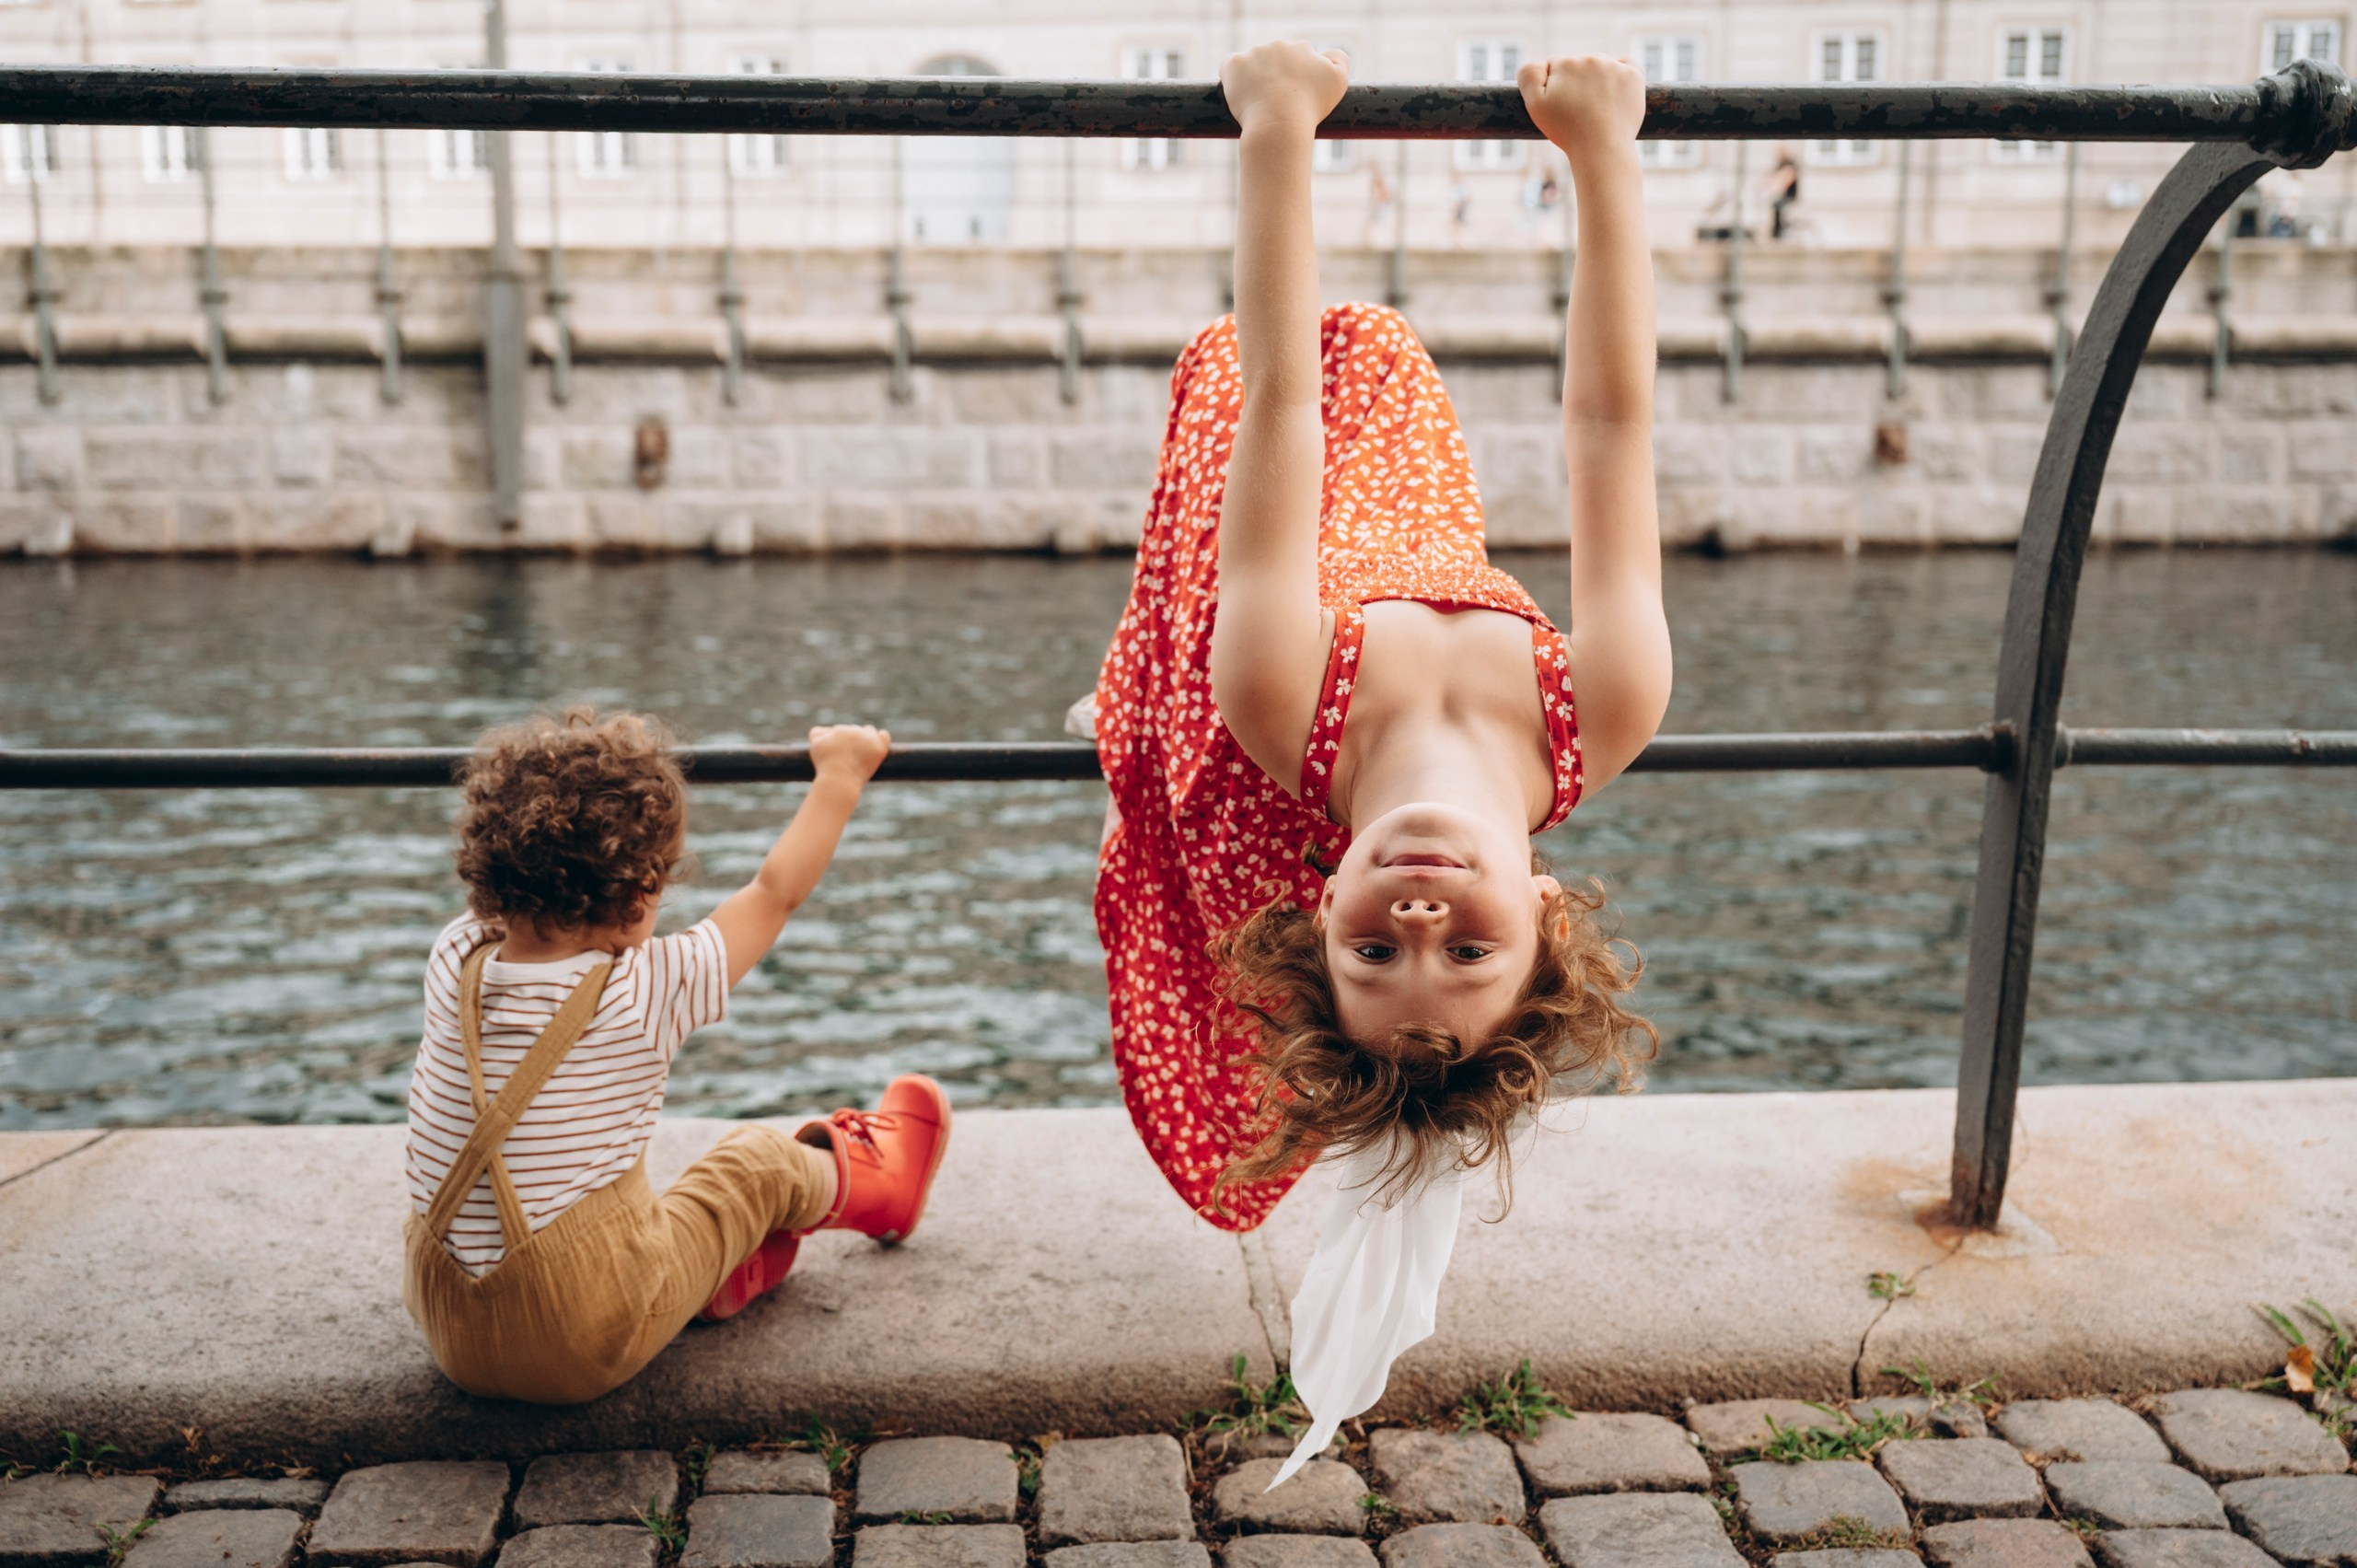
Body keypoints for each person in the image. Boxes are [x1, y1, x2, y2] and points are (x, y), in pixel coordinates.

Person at [1089, 42, 1668, 1477]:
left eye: (1375, 956)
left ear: (1320, 911)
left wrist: (1280, 126)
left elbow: (1281, 396)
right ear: (1548, 925)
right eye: (1466, 957)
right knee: (1385, 351)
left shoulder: (1284, 697)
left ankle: (1134, 698)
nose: (1419, 924)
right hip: (1414, 502)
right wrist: (1602, 154)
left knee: (1268, 410)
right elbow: (1611, 427)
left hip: (1265, 501)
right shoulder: (1608, 702)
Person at [401, 708, 951, 1405]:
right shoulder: (646, 986)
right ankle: (887, 1186)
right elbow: (774, 893)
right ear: (637, 894)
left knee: (590, 1182)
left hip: (449, 1327)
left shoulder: (456, 957)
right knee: (753, 1164)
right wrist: (841, 774)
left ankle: (715, 1275)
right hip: (577, 1342)